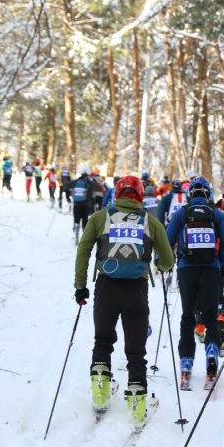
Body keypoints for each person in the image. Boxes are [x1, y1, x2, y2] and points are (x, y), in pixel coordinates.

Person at [74, 175, 175, 418]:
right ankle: (138, 405)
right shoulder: (151, 222)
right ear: (140, 196)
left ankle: (100, 389)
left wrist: (80, 285)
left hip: (106, 286)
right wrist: (159, 265)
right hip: (136, 290)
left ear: (117, 195)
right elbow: (168, 261)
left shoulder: (99, 217)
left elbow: (84, 249)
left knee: (102, 339)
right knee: (136, 349)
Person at [166, 176, 224, 388]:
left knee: (187, 317)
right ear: (208, 195)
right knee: (211, 316)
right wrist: (221, 263)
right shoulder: (217, 214)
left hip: (187, 269)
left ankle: (186, 361)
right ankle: (212, 351)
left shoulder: (181, 213)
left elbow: (168, 239)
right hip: (211, 269)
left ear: (189, 195)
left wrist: (168, 262)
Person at [70, 166, 96, 243]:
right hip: (86, 205)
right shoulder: (89, 182)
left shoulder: (76, 182)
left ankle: (76, 233)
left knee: (76, 219)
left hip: (76, 204)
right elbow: (99, 188)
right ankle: (84, 238)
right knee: (85, 221)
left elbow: (67, 185)